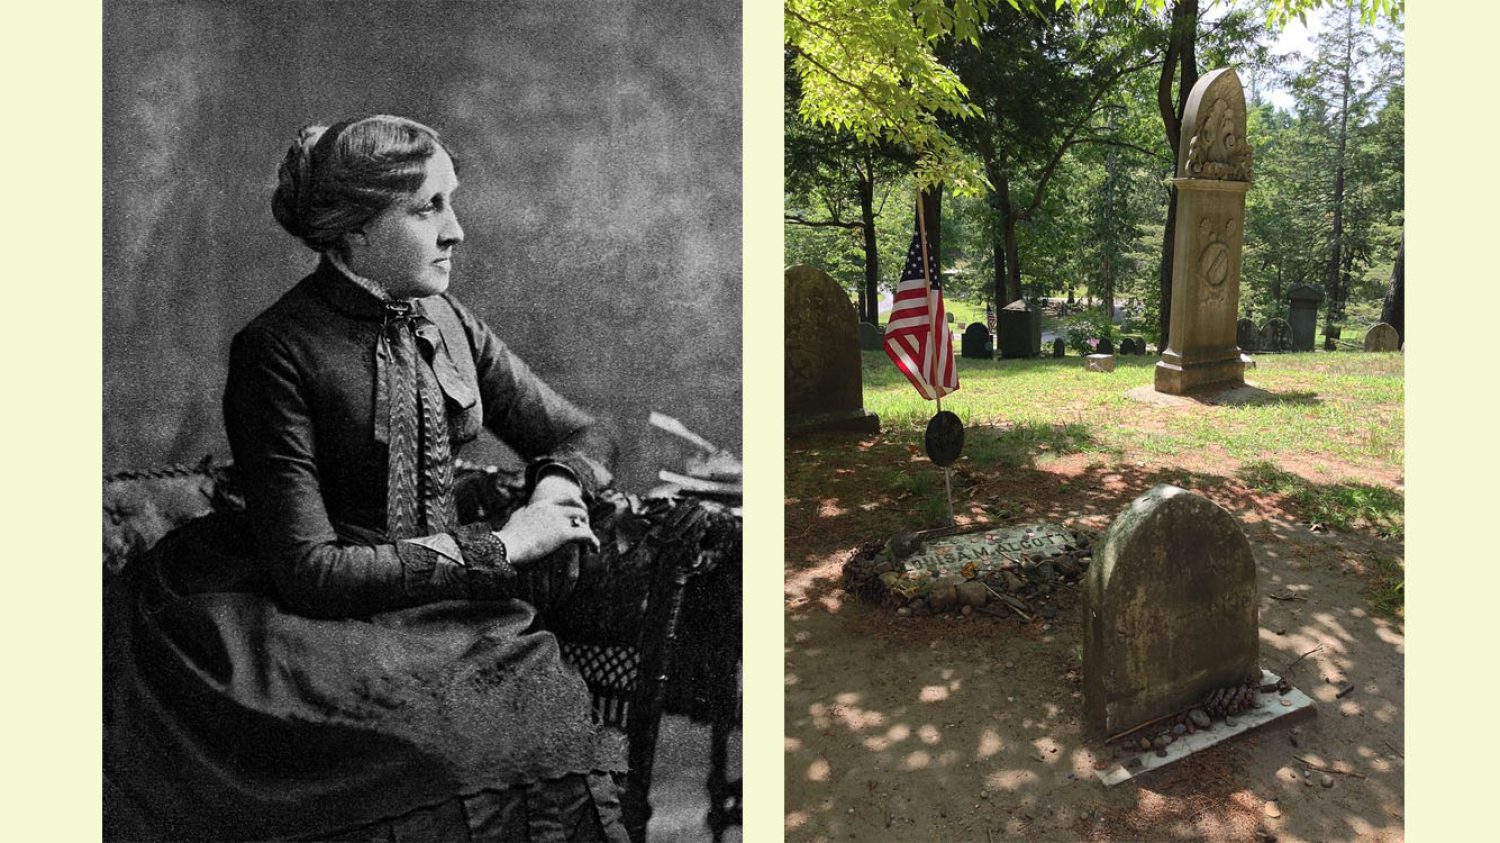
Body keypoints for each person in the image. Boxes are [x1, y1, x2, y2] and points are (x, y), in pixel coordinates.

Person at [104, 115, 631, 841]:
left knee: (546, 733)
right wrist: (505, 546)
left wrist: (556, 490)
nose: (457, 232)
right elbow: (311, 572)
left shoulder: (447, 321)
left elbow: (582, 431)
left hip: (437, 607)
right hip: (295, 617)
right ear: (353, 229)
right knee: (431, 759)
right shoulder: (275, 349)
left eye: (452, 201)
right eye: (428, 209)